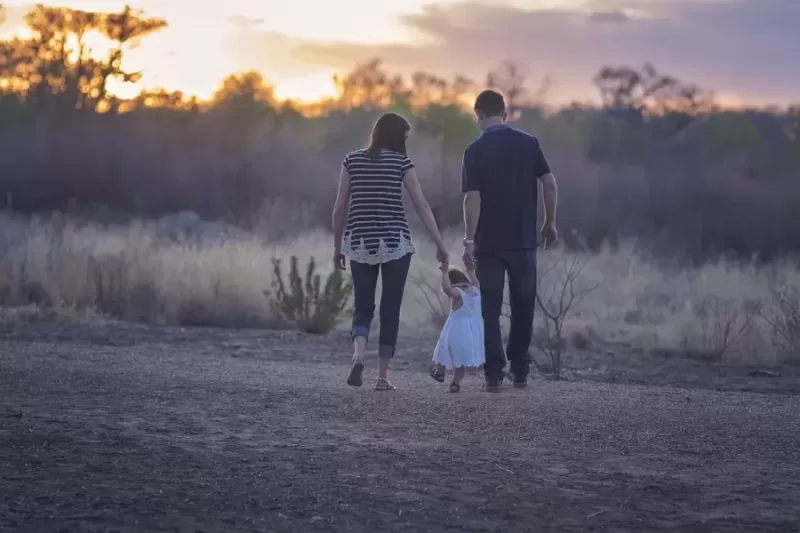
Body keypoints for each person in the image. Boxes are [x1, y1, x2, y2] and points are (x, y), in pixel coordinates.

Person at [332, 112, 448, 391]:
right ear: (396, 136)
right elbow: (421, 206)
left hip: (359, 243)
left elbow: (339, 207)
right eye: (405, 136)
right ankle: (382, 377)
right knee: (390, 310)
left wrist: (338, 247)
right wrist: (439, 243)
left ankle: (358, 356)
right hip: (395, 243)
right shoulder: (401, 163)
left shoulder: (352, 160)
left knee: (362, 306)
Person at [461, 90, 559, 392]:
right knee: (523, 305)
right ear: (504, 112)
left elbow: (471, 199)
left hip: (489, 243)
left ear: (478, 114)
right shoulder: (528, 144)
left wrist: (468, 240)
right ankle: (520, 370)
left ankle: (493, 374)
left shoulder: (474, 150)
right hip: (524, 241)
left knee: (489, 308)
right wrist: (549, 221)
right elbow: (550, 183)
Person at [430, 260, 485, 393]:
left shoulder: (458, 294)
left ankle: (440, 372)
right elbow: (474, 280)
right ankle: (455, 383)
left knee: (444, 349)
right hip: (473, 333)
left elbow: (448, 289)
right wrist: (470, 270)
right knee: (462, 360)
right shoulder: (476, 290)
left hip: (456, 330)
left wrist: (444, 272)